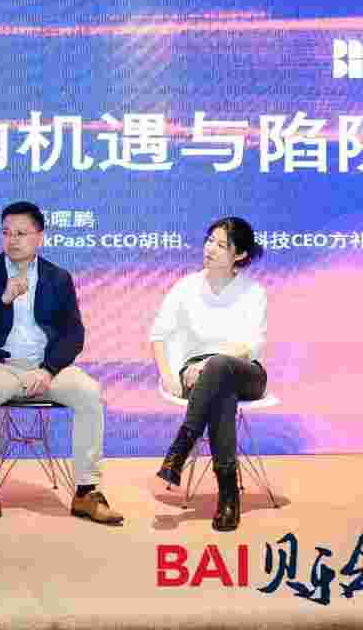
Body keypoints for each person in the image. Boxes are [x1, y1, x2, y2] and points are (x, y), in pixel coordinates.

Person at [0, 201, 123, 527]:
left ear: (40, 237)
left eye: (21, 233)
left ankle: (87, 491)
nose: (12, 240)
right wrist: (2, 300)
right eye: (6, 233)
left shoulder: (58, 278)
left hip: (48, 367)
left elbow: (74, 334)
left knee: (89, 392)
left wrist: (48, 370)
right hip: (1, 365)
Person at [150, 216, 268, 532]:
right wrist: (168, 375)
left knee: (218, 369)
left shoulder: (253, 291)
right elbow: (158, 334)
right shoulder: (186, 287)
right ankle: (228, 496)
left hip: (245, 371)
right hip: (199, 377)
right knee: (221, 394)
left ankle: (181, 447)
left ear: (239, 254)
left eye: (221, 245)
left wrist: (208, 363)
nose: (210, 249)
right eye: (209, 241)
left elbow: (249, 346)